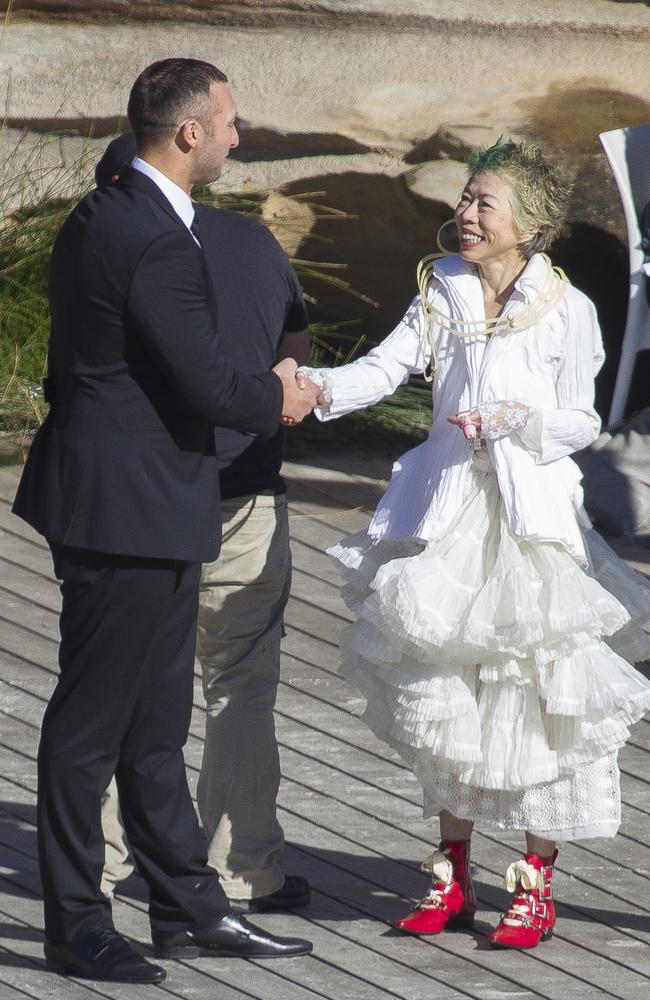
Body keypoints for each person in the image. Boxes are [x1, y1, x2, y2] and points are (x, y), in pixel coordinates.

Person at [12, 58, 320, 984]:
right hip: (126, 511)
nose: (238, 133)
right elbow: (210, 384)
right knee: (90, 728)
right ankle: (76, 923)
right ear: (188, 133)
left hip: (144, 502)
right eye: (229, 120)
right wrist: (282, 394)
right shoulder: (151, 235)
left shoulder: (119, 208)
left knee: (153, 727)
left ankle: (190, 908)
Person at [298, 139, 650, 949]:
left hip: (531, 530)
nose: (464, 214)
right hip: (450, 521)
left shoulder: (568, 308)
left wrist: (516, 423)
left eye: (483, 203)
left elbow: (583, 421)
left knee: (536, 699)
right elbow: (387, 368)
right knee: (449, 697)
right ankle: (450, 873)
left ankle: (534, 885)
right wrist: (318, 388)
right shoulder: (442, 291)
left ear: (526, 224)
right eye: (464, 200)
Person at [95, 132, 310, 913]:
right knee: (241, 684)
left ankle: (103, 860)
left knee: (120, 681)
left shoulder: (115, 245)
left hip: (147, 499)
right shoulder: (253, 241)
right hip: (247, 492)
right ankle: (243, 865)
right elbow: (293, 348)